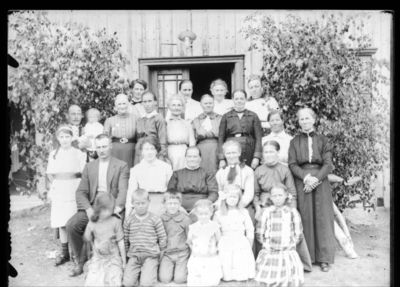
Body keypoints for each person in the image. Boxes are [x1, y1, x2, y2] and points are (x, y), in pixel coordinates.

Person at [66, 133, 129, 277]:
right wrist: (88, 209)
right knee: (72, 225)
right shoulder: (89, 167)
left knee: (113, 227)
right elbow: (81, 192)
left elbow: (123, 191)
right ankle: (80, 261)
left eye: (105, 146)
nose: (102, 150)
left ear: (111, 146)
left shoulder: (121, 166)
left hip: (111, 207)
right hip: (93, 206)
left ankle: (115, 262)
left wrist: (115, 210)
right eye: (99, 147)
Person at [288, 107, 335, 272]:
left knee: (322, 217)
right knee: (306, 217)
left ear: (314, 120)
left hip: (320, 180)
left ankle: (324, 258)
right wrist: (306, 178)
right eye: (301, 119)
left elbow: (328, 164)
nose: (304, 121)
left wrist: (316, 179)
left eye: (307, 118)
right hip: (302, 180)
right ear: (299, 122)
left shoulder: (323, 140)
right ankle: (307, 258)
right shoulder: (294, 141)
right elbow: (292, 164)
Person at [254, 140, 312, 271]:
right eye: (266, 152)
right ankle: (262, 261)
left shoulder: (284, 169)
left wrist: (292, 210)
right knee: (259, 221)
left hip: (283, 202)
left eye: (271, 151)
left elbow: (291, 192)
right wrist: (258, 207)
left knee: (292, 223)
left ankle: (301, 263)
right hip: (265, 203)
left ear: (277, 153)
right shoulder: (258, 170)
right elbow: (256, 193)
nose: (268, 155)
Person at [46, 125, 87, 267]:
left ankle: (77, 252)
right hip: (60, 189)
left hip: (73, 187)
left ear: (72, 138)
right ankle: (65, 252)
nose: (64, 140)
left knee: (73, 221)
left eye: (67, 136)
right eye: (62, 137)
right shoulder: (53, 154)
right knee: (61, 221)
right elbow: (50, 174)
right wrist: (56, 186)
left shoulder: (78, 153)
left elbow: (83, 174)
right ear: (58, 138)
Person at [255, 184, 304, 287]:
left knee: (288, 279)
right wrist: (265, 244)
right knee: (268, 278)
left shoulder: (292, 212)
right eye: (274, 196)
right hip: (270, 250)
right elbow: (260, 232)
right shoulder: (266, 212)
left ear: (286, 196)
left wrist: (292, 244)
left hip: (286, 250)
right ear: (271, 197)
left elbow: (298, 233)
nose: (277, 198)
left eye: (280, 195)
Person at [122, 189, 167, 287]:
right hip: (134, 256)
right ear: (132, 203)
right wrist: (127, 254)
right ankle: (138, 273)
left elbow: (162, 237)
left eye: (143, 203)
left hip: (150, 256)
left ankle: (148, 272)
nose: (141, 206)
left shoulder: (155, 219)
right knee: (127, 283)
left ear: (149, 202)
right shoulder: (129, 220)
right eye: (137, 203)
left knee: (146, 284)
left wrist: (160, 253)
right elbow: (125, 239)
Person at [213, 184, 255, 282]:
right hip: (225, 240)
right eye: (230, 197)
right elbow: (216, 229)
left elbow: (249, 229)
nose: (232, 199)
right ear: (225, 198)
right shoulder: (219, 213)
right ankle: (227, 275)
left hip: (240, 240)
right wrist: (220, 242)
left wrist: (249, 243)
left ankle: (240, 274)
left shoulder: (243, 212)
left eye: (235, 197)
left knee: (239, 258)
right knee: (226, 258)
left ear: (239, 199)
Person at [83, 193, 126, 287]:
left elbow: (121, 243)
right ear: (99, 208)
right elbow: (87, 238)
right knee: (94, 281)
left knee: (113, 281)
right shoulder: (93, 221)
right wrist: (88, 232)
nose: (109, 212)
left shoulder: (116, 221)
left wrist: (124, 261)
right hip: (98, 258)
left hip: (113, 258)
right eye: (106, 209)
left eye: (111, 209)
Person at [125, 137, 173, 217]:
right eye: (146, 149)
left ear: (156, 151)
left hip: (161, 202)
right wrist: (128, 213)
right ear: (142, 152)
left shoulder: (166, 167)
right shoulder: (136, 169)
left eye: (152, 149)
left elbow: (170, 190)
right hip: (143, 202)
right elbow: (131, 192)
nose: (149, 152)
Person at [218, 89, 263, 170]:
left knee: (248, 173)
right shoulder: (226, 116)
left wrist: (256, 157)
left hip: (249, 149)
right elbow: (221, 138)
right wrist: (221, 158)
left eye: (241, 98)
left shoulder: (253, 116)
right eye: (236, 99)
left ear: (245, 99)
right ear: (233, 100)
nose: (239, 101)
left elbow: (258, 138)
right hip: (231, 150)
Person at [167, 146, 218, 215]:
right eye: (189, 156)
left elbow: (213, 193)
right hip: (179, 209)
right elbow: (170, 193)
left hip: (202, 209)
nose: (192, 159)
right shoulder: (177, 174)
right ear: (185, 158)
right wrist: (178, 207)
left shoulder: (208, 174)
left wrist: (204, 205)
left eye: (195, 157)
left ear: (200, 158)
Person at [215, 140, 255, 223]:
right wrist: (222, 205)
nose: (231, 156)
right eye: (228, 153)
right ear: (224, 154)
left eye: (234, 153)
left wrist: (237, 206)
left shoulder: (247, 171)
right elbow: (220, 193)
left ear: (239, 153)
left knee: (248, 215)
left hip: (242, 203)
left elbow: (249, 194)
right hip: (225, 204)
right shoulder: (220, 173)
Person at [186, 199, 223, 286]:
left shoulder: (214, 226)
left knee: (211, 281)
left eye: (206, 214)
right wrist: (195, 251)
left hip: (211, 257)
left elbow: (219, 240)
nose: (203, 216)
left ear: (211, 213)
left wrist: (214, 250)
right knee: (195, 281)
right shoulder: (193, 227)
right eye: (201, 214)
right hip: (197, 257)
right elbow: (189, 241)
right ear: (196, 214)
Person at [158, 191, 192, 284]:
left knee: (179, 279)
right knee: (164, 279)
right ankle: (169, 269)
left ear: (180, 204)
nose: (172, 206)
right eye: (169, 203)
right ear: (164, 204)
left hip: (182, 253)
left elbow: (190, 238)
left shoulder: (185, 219)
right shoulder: (160, 218)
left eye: (175, 203)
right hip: (167, 254)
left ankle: (180, 270)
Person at [104, 93, 138, 168]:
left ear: (128, 105)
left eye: (124, 103)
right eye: (119, 104)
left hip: (131, 152)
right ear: (115, 107)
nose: (122, 106)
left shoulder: (136, 119)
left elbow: (139, 137)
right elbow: (105, 139)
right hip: (115, 152)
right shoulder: (109, 121)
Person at [134, 91, 168, 165]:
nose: (147, 104)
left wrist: (161, 156)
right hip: (140, 153)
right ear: (142, 103)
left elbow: (163, 140)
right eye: (144, 102)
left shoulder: (159, 118)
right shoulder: (140, 119)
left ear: (155, 102)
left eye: (149, 101)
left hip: (153, 153)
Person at [192, 94, 222, 174]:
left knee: (216, 172)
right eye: (205, 103)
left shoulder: (220, 118)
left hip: (216, 149)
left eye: (210, 103)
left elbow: (223, 136)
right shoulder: (196, 120)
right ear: (201, 104)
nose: (208, 105)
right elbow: (193, 138)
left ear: (213, 103)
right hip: (201, 149)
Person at [166, 94, 196, 171]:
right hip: (169, 154)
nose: (176, 108)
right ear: (169, 107)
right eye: (174, 105)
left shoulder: (187, 124)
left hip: (184, 155)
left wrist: (190, 157)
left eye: (179, 105)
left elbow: (192, 143)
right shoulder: (165, 123)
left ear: (183, 107)